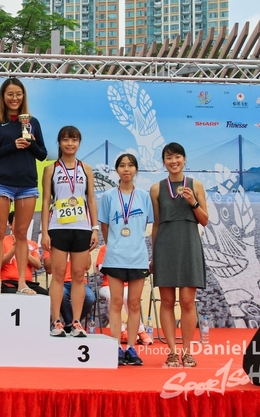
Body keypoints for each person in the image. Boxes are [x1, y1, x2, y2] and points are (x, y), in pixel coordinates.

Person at [0, 78, 47, 295]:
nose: (14, 98)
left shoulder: (32, 122)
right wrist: (12, 145)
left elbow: (42, 154)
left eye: (18, 94)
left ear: (23, 96)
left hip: (27, 184)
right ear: (3, 96)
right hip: (2, 183)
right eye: (10, 94)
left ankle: (22, 283)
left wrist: (32, 143)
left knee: (21, 234)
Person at [150, 142, 208, 368]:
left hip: (189, 244)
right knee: (166, 301)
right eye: (169, 158)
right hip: (165, 246)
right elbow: (156, 224)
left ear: (184, 159)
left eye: (177, 157)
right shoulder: (156, 189)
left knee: (186, 301)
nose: (173, 161)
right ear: (164, 162)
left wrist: (193, 202)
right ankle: (172, 352)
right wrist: (154, 254)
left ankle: (187, 352)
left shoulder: (196, 185)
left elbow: (205, 220)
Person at [41, 126, 99, 338]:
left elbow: (91, 199)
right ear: (59, 143)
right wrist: (44, 232)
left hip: (82, 228)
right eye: (66, 140)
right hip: (58, 227)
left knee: (78, 276)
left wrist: (94, 228)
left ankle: (76, 322)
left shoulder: (86, 169)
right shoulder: (51, 169)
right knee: (57, 275)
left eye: (74, 140)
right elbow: (45, 201)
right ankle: (56, 320)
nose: (70, 144)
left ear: (79, 143)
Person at [98, 154, 154, 366]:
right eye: (122, 165)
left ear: (136, 169)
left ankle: (131, 347)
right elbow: (105, 226)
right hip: (115, 258)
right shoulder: (108, 196)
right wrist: (114, 245)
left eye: (130, 165)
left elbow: (147, 225)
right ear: (117, 170)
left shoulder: (144, 197)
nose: (126, 169)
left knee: (133, 304)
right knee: (115, 302)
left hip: (138, 258)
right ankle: (115, 347)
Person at [95, 245, 153, 346]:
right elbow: (100, 269)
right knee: (113, 297)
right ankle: (121, 330)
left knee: (129, 297)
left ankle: (140, 330)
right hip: (108, 286)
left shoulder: (131, 247)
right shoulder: (104, 248)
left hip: (128, 285)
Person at [43, 249, 96, 333]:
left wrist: (76, 253)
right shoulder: (53, 245)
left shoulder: (78, 243)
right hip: (62, 283)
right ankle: (71, 324)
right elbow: (48, 269)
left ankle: (73, 323)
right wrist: (60, 254)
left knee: (90, 297)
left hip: (80, 283)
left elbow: (87, 266)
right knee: (62, 294)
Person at [1, 211, 47, 295]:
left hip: (27, 283)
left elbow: (37, 265)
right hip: (7, 281)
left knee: (46, 295)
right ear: (10, 225)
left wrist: (24, 252)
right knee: (12, 293)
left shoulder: (32, 244)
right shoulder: (2, 241)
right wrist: (14, 249)